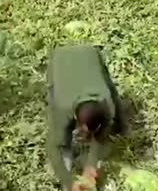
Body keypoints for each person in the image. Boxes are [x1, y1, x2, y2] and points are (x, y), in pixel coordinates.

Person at [46, 44, 130, 191]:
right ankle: (67, 158)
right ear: (76, 120)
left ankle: (123, 128)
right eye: (85, 131)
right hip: (62, 59)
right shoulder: (63, 106)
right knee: (60, 139)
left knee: (109, 84)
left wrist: (90, 166)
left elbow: (100, 136)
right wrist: (68, 181)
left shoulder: (106, 102)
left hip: (89, 54)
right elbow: (52, 148)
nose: (86, 135)